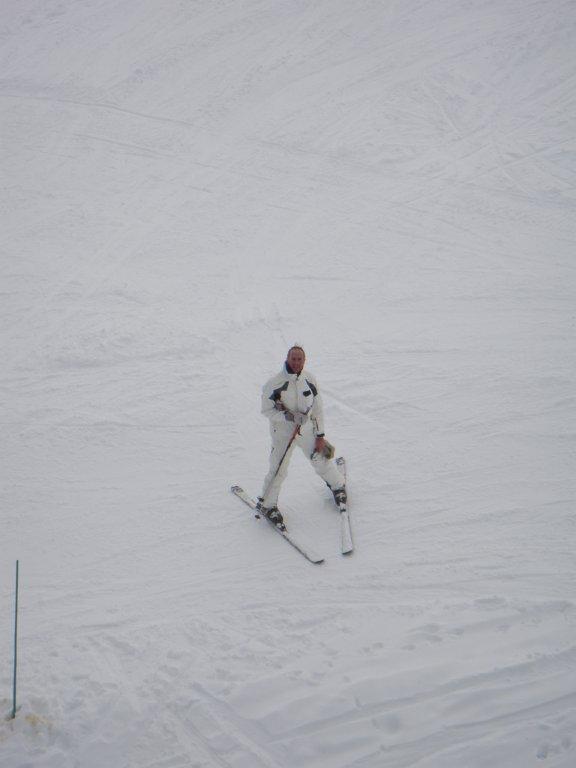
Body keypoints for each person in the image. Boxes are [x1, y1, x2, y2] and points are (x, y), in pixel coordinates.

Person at [258, 345, 346, 526]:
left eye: (300, 359)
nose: (296, 362)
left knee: (319, 457)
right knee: (278, 469)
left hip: (306, 430)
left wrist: (320, 435)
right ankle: (268, 505)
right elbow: (266, 410)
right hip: (283, 434)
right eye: (293, 359)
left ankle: (338, 486)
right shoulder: (274, 384)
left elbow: (318, 409)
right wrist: (287, 416)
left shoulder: (309, 379)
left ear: (304, 361)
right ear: (287, 358)